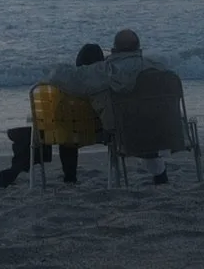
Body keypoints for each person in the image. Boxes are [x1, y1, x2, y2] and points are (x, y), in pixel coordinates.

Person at [40, 29, 175, 185]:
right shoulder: (161, 68)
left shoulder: (104, 72)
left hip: (122, 133)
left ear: (113, 50)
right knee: (144, 116)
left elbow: (60, 76)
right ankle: (159, 173)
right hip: (164, 129)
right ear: (139, 49)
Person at [0, 43, 101, 187]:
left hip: (64, 130)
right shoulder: (103, 82)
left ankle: (20, 158)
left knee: (62, 131)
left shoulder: (63, 78)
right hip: (96, 132)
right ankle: (69, 177)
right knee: (69, 131)